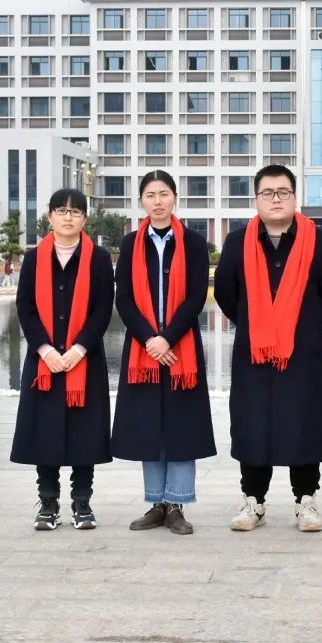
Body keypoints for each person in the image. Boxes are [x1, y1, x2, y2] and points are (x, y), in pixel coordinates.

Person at [214, 165, 322, 532]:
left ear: (294, 197)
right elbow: (226, 292)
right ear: (256, 199)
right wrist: (260, 326)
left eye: (283, 192)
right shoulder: (237, 242)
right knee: (252, 424)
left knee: (304, 422)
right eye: (268, 193)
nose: (276, 199)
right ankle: (253, 501)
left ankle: (306, 501)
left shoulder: (318, 241)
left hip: (303, 353)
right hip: (253, 353)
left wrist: (300, 325)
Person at [111, 170, 216, 536]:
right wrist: (149, 339)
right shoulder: (130, 244)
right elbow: (124, 298)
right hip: (143, 351)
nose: (157, 201)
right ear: (142, 201)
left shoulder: (194, 243)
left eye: (164, 194)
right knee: (148, 426)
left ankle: (176, 504)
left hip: (181, 346)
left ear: (174, 197)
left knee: (182, 426)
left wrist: (167, 338)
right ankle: (156, 503)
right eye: (150, 195)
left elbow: (196, 297)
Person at [10, 189, 115, 530]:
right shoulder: (34, 258)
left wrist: (78, 349)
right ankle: (48, 502)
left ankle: (82, 502)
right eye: (61, 210)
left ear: (85, 218)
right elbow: (25, 306)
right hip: (44, 362)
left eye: (75, 212)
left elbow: (102, 308)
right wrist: (45, 349)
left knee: (85, 433)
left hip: (85, 360)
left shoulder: (98, 259)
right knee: (46, 432)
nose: (68, 217)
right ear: (50, 217)